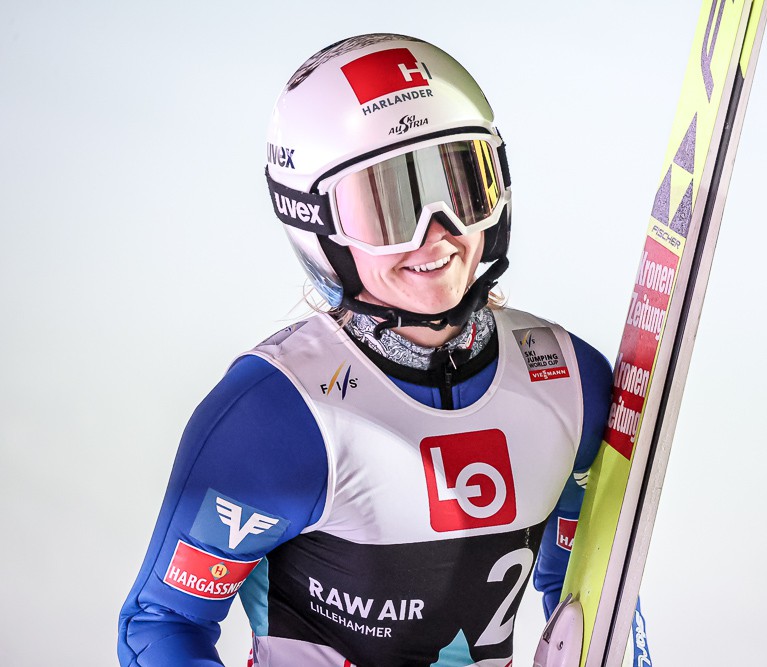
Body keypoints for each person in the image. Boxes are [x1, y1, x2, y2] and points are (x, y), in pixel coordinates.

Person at [118, 33, 611, 667]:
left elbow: (590, 596)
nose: (438, 234)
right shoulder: (275, 416)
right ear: (315, 224)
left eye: (462, 185)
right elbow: (162, 622)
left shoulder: (572, 382)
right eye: (389, 204)